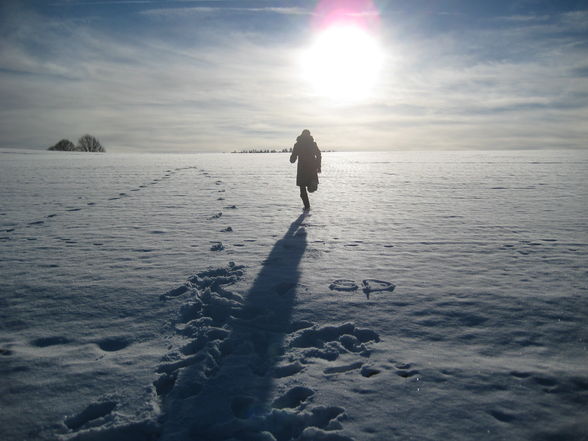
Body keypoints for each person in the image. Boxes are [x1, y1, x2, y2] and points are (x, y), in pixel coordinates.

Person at [290, 129, 322, 211]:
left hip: (302, 169)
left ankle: (307, 207)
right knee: (309, 188)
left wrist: (292, 159)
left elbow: (292, 159)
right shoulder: (312, 144)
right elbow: (318, 155)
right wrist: (318, 166)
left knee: (303, 189)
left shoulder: (298, 144)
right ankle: (313, 184)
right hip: (312, 168)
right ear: (309, 135)